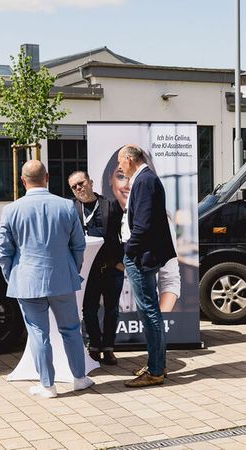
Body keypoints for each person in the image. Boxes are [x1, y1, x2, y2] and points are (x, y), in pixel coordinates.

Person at [0, 160, 93, 398]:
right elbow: (78, 245)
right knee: (71, 329)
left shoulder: (10, 210)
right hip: (61, 278)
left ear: (22, 180)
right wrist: (72, 269)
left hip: (26, 280)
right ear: (47, 177)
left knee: (38, 332)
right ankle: (79, 377)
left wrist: (12, 276)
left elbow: (3, 251)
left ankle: (48, 385)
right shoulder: (67, 206)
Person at [119, 144, 176, 388]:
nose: (121, 168)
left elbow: (142, 224)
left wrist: (129, 251)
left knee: (149, 312)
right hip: (143, 254)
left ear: (130, 160)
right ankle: (157, 363)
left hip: (141, 256)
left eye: (122, 163)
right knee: (150, 311)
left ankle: (155, 370)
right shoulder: (146, 179)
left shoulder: (144, 181)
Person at [68, 170, 124, 365]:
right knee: (88, 310)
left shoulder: (111, 205)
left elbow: (124, 234)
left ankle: (108, 348)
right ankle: (94, 346)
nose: (78, 188)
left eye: (81, 183)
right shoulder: (71, 208)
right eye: (74, 186)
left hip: (111, 268)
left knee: (111, 310)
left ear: (90, 182)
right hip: (86, 271)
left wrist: (121, 263)